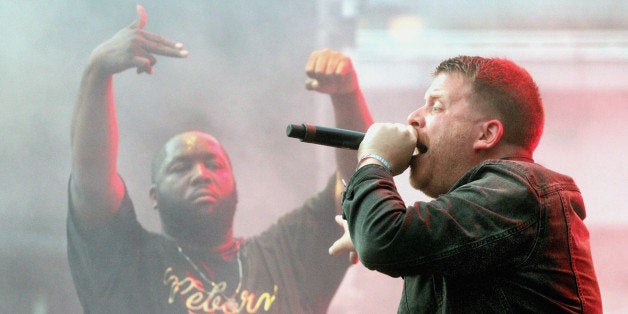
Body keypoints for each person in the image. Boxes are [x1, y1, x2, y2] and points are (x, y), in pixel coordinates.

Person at [67, 5, 373, 314]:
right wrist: (97, 72)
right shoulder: (129, 263)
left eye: (214, 165)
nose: (201, 174)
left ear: (236, 187)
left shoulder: (284, 255)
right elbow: (92, 181)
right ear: (154, 196)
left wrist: (346, 96)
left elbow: (357, 189)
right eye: (180, 167)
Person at [327, 55, 603, 313]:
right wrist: (372, 227)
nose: (413, 118)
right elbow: (387, 239)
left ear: (487, 133)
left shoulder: (520, 189)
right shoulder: (470, 216)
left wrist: (376, 160)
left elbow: (384, 241)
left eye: (436, 106)